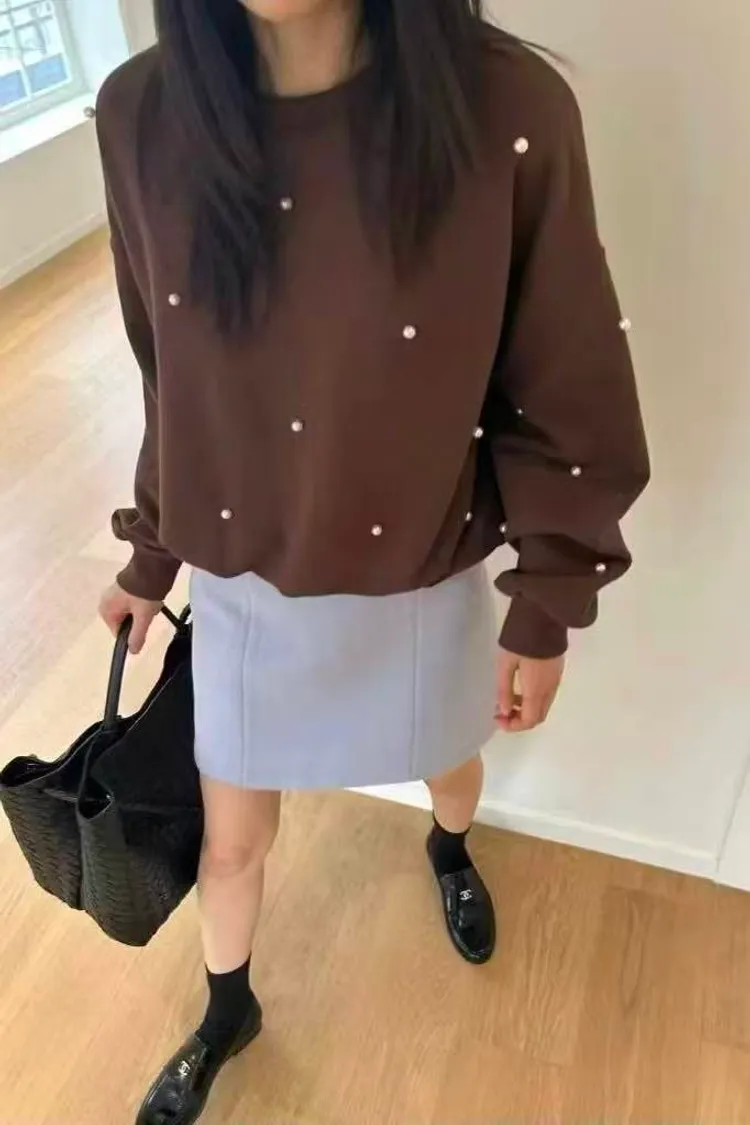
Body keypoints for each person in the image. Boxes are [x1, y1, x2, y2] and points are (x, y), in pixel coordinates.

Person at [96, 1, 649, 1122]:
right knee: (231, 843)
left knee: (448, 767)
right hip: (247, 572)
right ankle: (226, 1008)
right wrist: (151, 555)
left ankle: (449, 849)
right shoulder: (141, 115)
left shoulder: (509, 110)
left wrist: (550, 597)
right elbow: (170, 374)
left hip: (421, 560)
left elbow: (562, 370)